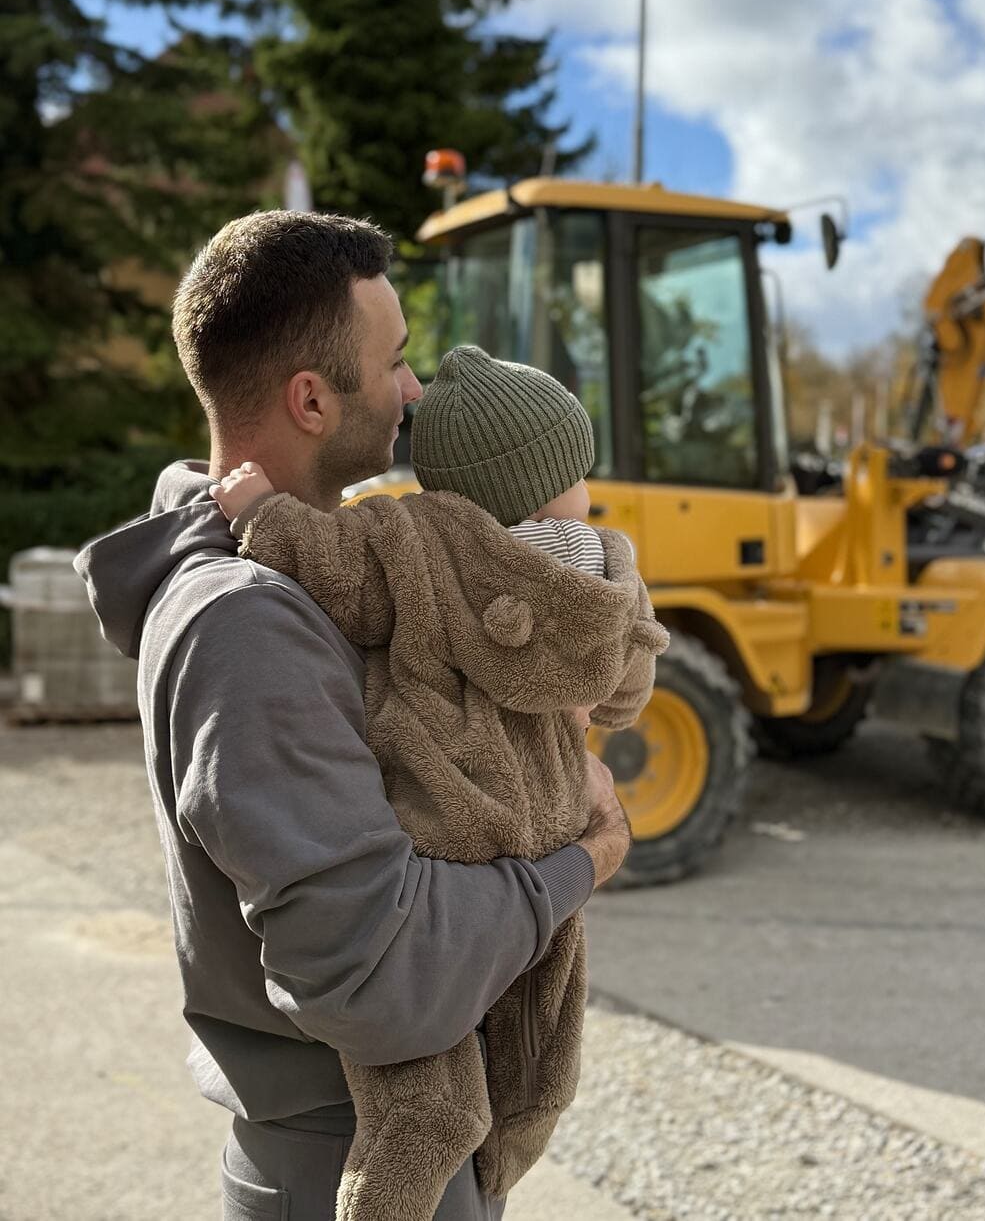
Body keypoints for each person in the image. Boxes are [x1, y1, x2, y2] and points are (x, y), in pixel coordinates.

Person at [73, 211, 631, 1221]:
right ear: (312, 400)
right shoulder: (246, 623)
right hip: (348, 1156)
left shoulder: (298, 577)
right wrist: (582, 857)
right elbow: (379, 978)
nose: (416, 392)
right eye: (397, 364)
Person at [209, 345, 667, 1220]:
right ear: (567, 471)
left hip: (448, 822)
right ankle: (509, 1152)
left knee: (428, 1093)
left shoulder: (411, 537)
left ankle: (390, 1200)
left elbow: (330, 568)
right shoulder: (611, 571)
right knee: (539, 1034)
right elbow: (624, 696)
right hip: (554, 822)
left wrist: (259, 508)